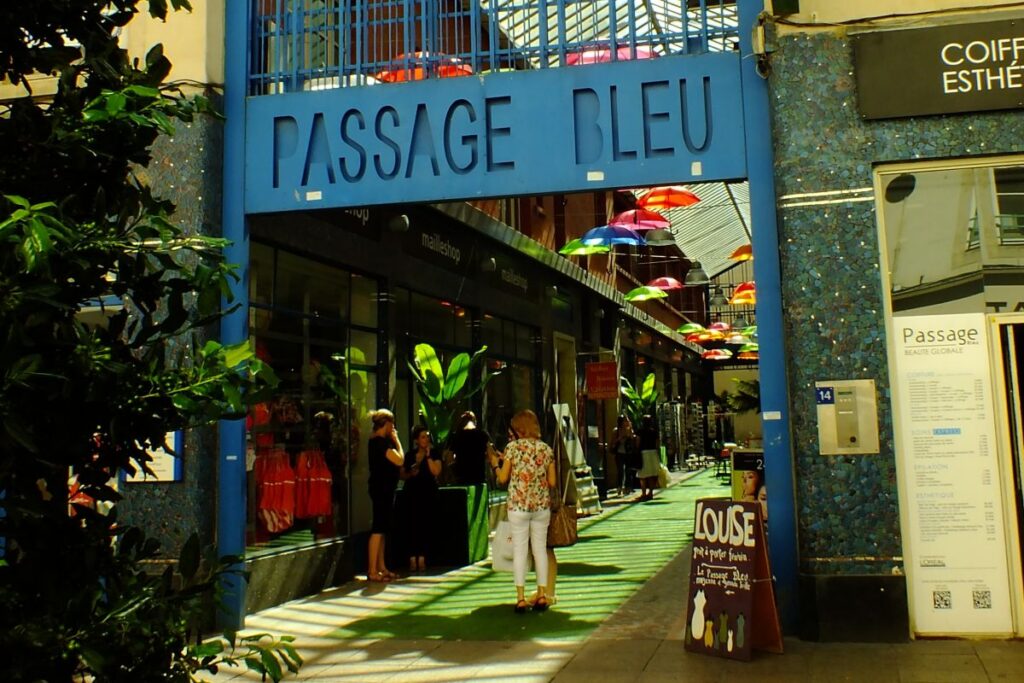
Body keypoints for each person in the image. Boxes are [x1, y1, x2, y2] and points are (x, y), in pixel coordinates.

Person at [490, 409, 556, 613]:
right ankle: (543, 594)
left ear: (518, 429)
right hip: (541, 506)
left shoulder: (512, 449)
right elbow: (552, 482)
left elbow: (502, 478)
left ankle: (520, 598)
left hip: (518, 505)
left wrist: (495, 465)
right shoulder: (546, 450)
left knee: (520, 551)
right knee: (539, 550)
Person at [366, 409, 404, 582]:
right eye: (392, 423)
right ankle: (372, 569)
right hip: (381, 489)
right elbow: (399, 460)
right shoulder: (380, 443)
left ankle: (381, 567)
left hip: (386, 489)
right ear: (386, 424)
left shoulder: (378, 442)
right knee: (378, 528)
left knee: (383, 529)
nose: (393, 427)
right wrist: (397, 441)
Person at [401, 425, 442, 572]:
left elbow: (436, 471)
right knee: (413, 525)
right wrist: (412, 472)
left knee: (426, 524)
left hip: (428, 493)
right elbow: (402, 474)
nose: (426, 439)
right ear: (417, 440)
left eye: (427, 436)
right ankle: (412, 558)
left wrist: (428, 456)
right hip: (412, 493)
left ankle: (423, 557)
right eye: (423, 437)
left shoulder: (435, 453)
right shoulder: (410, 455)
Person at [450, 410, 491, 485]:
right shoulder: (482, 435)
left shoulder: (456, 436)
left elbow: (449, 458)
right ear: (474, 420)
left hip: (461, 477)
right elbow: (490, 454)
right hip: (479, 477)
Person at [610, 415, 639, 497]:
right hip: (619, 453)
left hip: (628, 453)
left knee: (628, 471)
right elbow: (612, 443)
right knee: (620, 471)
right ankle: (619, 487)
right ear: (621, 422)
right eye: (625, 421)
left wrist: (630, 434)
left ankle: (627, 487)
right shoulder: (616, 431)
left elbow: (633, 440)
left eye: (627, 421)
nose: (627, 422)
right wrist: (620, 438)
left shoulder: (629, 430)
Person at [636, 414, 660, 501]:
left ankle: (643, 493)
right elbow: (657, 444)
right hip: (653, 453)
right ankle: (650, 493)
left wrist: (636, 451)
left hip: (643, 453)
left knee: (642, 475)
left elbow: (637, 443)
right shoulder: (654, 432)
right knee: (651, 474)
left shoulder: (639, 431)